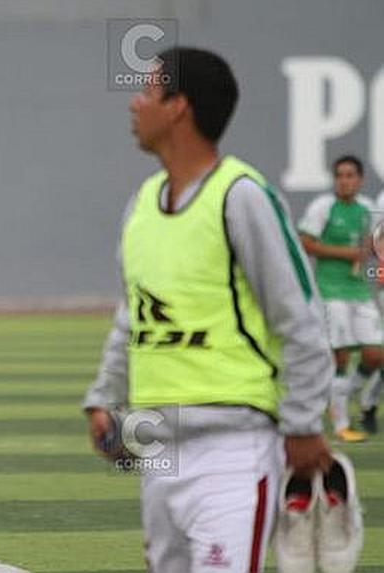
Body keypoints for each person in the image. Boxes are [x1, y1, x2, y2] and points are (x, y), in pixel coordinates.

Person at [82, 48, 352, 573]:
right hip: (158, 446)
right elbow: (132, 315)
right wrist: (104, 397)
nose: (135, 103)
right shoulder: (142, 203)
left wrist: (301, 423)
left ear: (179, 106)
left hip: (235, 446)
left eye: (148, 91)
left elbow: (299, 315)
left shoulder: (242, 196)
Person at [299, 155, 383, 442]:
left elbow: (374, 244)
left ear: (359, 180)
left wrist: (372, 249)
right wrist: (345, 253)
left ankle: (344, 396)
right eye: (340, 175)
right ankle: (341, 423)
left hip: (358, 291)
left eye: (350, 175)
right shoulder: (323, 207)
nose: (344, 181)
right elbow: (305, 243)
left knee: (376, 354)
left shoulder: (368, 208)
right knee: (342, 355)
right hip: (330, 291)